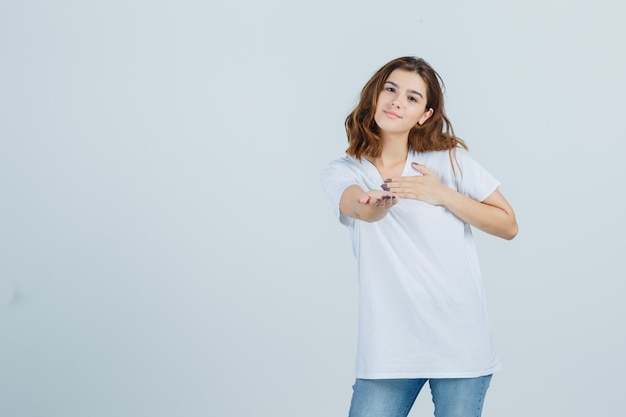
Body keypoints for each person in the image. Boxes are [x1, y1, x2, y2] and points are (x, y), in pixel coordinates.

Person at [320, 56, 518, 417]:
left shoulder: (449, 162)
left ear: (425, 115)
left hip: (460, 341)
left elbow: (508, 225)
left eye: (412, 98)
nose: (397, 101)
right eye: (391, 89)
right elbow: (355, 205)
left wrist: (441, 194)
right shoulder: (345, 170)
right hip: (389, 349)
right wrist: (376, 205)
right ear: (374, 96)